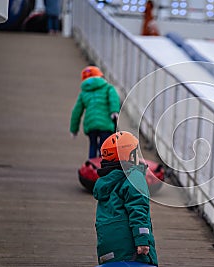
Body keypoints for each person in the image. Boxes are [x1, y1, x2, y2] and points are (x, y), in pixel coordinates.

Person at [93, 131, 158, 265]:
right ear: (128, 155)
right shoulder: (134, 176)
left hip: (107, 247)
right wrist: (142, 239)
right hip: (129, 248)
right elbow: (138, 209)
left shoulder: (105, 181)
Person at [70, 66, 120, 159]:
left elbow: (76, 112)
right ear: (100, 76)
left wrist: (74, 129)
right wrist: (114, 111)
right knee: (104, 147)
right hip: (105, 124)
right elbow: (114, 99)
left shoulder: (83, 93)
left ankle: (92, 166)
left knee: (92, 145)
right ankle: (103, 167)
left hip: (90, 125)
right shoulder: (108, 88)